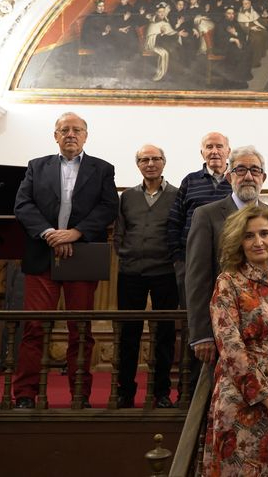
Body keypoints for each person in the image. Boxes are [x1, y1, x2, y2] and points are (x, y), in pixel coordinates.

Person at [13, 112, 118, 409]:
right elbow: (23, 204)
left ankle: (80, 395)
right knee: (34, 327)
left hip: (82, 255)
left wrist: (75, 233)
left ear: (86, 135)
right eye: (64, 130)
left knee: (81, 330)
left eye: (77, 130)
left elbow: (109, 206)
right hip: (42, 254)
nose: (70, 134)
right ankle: (24, 394)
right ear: (55, 135)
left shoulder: (102, 169)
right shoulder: (37, 166)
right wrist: (49, 233)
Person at [202, 206, 268, 476]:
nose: (258, 241)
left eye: (265, 233)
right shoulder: (228, 282)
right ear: (239, 242)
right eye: (249, 236)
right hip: (243, 399)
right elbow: (230, 349)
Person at [186, 146, 268, 366]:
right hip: (223, 327)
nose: (248, 176)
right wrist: (202, 333)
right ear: (229, 176)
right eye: (241, 170)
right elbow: (197, 278)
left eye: (255, 170)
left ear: (264, 177)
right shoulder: (206, 215)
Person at [113, 144, 179, 409]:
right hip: (131, 273)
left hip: (165, 272)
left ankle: (161, 392)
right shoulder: (127, 197)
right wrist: (125, 254)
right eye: (144, 159)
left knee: (164, 335)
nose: (150, 163)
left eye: (155, 159)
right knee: (128, 333)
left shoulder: (177, 195)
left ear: (164, 162)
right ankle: (125, 392)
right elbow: (119, 232)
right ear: (138, 164)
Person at [167, 131, 231, 308]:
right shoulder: (190, 181)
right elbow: (174, 221)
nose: (214, 151)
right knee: (193, 312)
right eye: (209, 147)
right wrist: (178, 259)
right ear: (202, 152)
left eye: (219, 146)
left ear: (228, 151)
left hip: (230, 262)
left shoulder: (237, 181)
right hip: (191, 261)